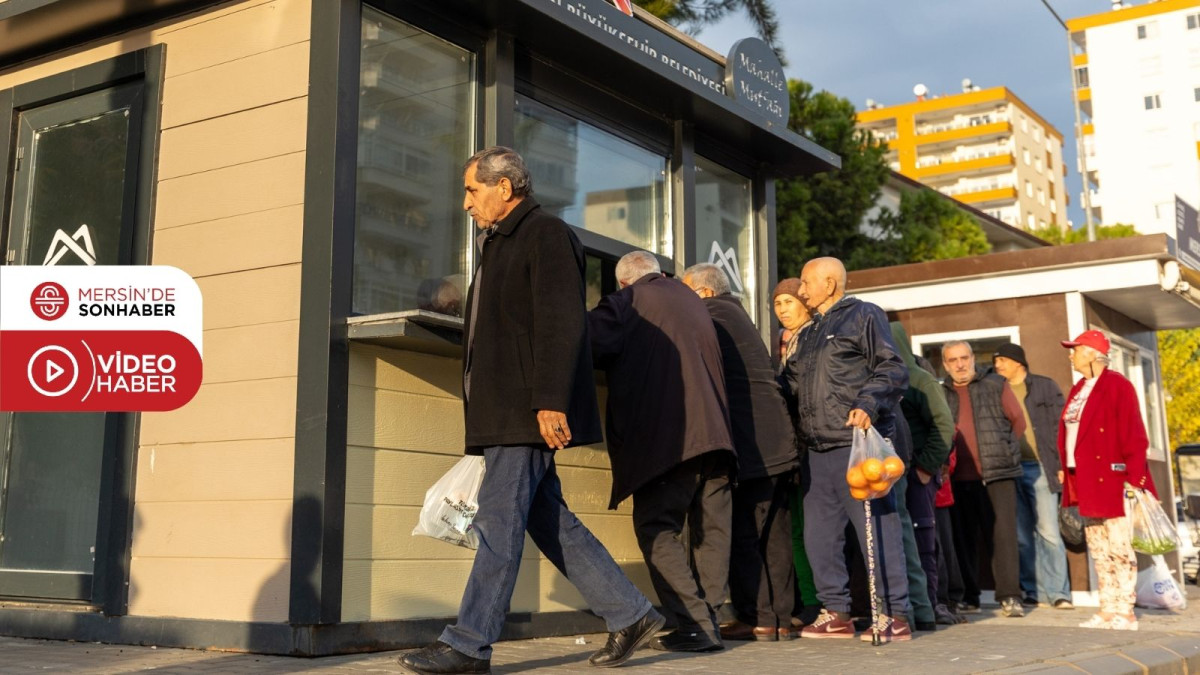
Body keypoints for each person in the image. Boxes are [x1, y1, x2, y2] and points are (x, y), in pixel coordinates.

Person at [400, 147, 663, 675]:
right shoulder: (498, 243)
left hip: (525, 410)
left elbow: (562, 324)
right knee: (548, 520)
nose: (466, 202)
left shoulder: (546, 235)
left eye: (473, 190)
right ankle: (630, 613)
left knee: (499, 523)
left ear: (505, 187)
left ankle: (468, 644)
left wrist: (548, 401)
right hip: (504, 409)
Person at [589, 251, 735, 653]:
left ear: (623, 282)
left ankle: (696, 626)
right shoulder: (694, 299)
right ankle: (709, 621)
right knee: (711, 532)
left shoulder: (627, 302)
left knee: (657, 529)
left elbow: (585, 342)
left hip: (670, 437)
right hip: (717, 434)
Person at [782, 257, 912, 643]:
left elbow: (892, 368)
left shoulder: (863, 315)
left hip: (857, 448)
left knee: (877, 532)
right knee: (819, 538)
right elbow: (788, 387)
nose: (800, 291)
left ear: (829, 283)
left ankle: (894, 614)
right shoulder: (807, 334)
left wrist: (869, 403)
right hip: (816, 452)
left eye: (805, 283)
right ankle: (835, 612)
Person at [682, 263, 799, 642]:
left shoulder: (711, 314)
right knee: (775, 535)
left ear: (703, 292)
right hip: (777, 441)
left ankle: (757, 617)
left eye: (686, 293)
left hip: (754, 446)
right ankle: (780, 616)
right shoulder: (737, 314)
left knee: (748, 533)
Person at [1057, 330, 1156, 630]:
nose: (1070, 354)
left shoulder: (1117, 386)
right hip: (1084, 478)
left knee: (1119, 547)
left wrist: (1135, 479)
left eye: (1074, 349)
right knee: (1099, 548)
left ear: (1090, 352)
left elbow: (1135, 435)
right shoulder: (1078, 390)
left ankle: (1125, 610)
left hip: (1113, 479)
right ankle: (1107, 607)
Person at [940, 340, 1027, 619]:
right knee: (963, 540)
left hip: (997, 474)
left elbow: (1018, 422)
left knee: (1003, 538)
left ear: (973, 358)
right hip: (957, 479)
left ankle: (1010, 597)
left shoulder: (995, 384)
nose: (960, 364)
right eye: (953, 360)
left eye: (964, 358)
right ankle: (969, 597)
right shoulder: (941, 392)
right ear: (945, 364)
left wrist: (1004, 449)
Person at [992, 343, 1074, 610]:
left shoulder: (1044, 386)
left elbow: (1060, 427)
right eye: (996, 361)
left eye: (1002, 360)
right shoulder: (996, 389)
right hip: (1011, 469)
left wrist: (1061, 464)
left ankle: (1059, 593)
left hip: (1041, 467)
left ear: (1018, 362)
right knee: (1021, 535)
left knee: (1049, 531)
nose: (998, 365)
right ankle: (1032, 591)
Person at [890, 322, 955, 630]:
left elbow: (944, 427)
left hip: (916, 474)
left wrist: (925, 468)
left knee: (922, 541)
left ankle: (929, 605)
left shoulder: (919, 380)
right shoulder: (885, 379)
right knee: (904, 541)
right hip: (892, 473)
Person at [771, 278, 820, 627]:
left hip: (813, 448)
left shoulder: (814, 338)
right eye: (778, 304)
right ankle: (810, 603)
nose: (783, 309)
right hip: (793, 450)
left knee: (817, 532)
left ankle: (822, 604)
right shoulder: (785, 345)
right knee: (798, 533)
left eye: (789, 301)